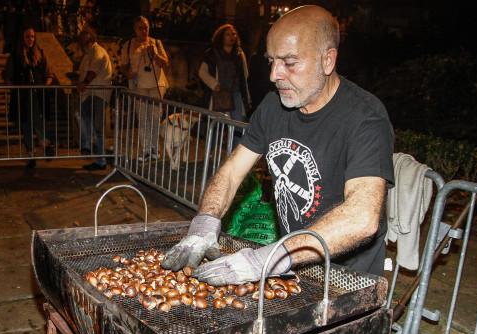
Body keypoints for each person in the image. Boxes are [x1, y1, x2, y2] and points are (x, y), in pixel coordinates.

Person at [161, 5, 394, 285]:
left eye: (290, 62)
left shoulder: (365, 117)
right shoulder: (273, 106)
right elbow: (234, 171)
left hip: (346, 277)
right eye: (271, 60)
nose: (274, 74)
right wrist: (205, 222)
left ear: (327, 60)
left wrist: (267, 259)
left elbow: (362, 218)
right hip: (291, 264)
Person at [2, 27, 56, 168]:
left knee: (39, 119)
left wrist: (44, 87)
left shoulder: (40, 55)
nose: (30, 39)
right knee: (26, 124)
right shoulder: (15, 56)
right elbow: (7, 76)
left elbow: (49, 73)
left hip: (38, 94)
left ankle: (45, 145)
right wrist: (15, 89)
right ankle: (31, 154)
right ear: (23, 38)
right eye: (27, 36)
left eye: (32, 36)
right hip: (23, 96)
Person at [119, 15, 169, 161]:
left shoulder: (156, 43)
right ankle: (145, 150)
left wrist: (154, 53)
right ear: (135, 29)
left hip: (156, 85)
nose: (143, 31)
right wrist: (127, 73)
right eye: (140, 28)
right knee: (142, 119)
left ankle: (155, 149)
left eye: (146, 27)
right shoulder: (128, 45)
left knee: (155, 118)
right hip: (138, 85)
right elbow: (123, 66)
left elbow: (165, 63)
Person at [76, 27, 112, 171]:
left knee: (88, 120)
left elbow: (93, 70)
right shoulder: (89, 54)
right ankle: (98, 157)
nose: (80, 42)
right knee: (84, 118)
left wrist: (84, 82)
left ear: (89, 39)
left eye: (82, 39)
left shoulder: (97, 52)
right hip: (92, 94)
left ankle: (88, 147)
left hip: (98, 93)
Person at [199, 24, 250, 125]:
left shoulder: (239, 54)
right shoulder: (212, 54)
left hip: (236, 93)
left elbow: (245, 75)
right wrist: (214, 84)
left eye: (233, 34)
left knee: (238, 124)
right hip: (219, 93)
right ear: (221, 37)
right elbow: (202, 72)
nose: (232, 37)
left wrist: (247, 95)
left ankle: (236, 141)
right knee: (217, 124)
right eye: (228, 35)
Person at [247, 24, 274, 116]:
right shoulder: (257, 58)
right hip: (261, 100)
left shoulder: (282, 57)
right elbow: (252, 81)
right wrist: (256, 101)